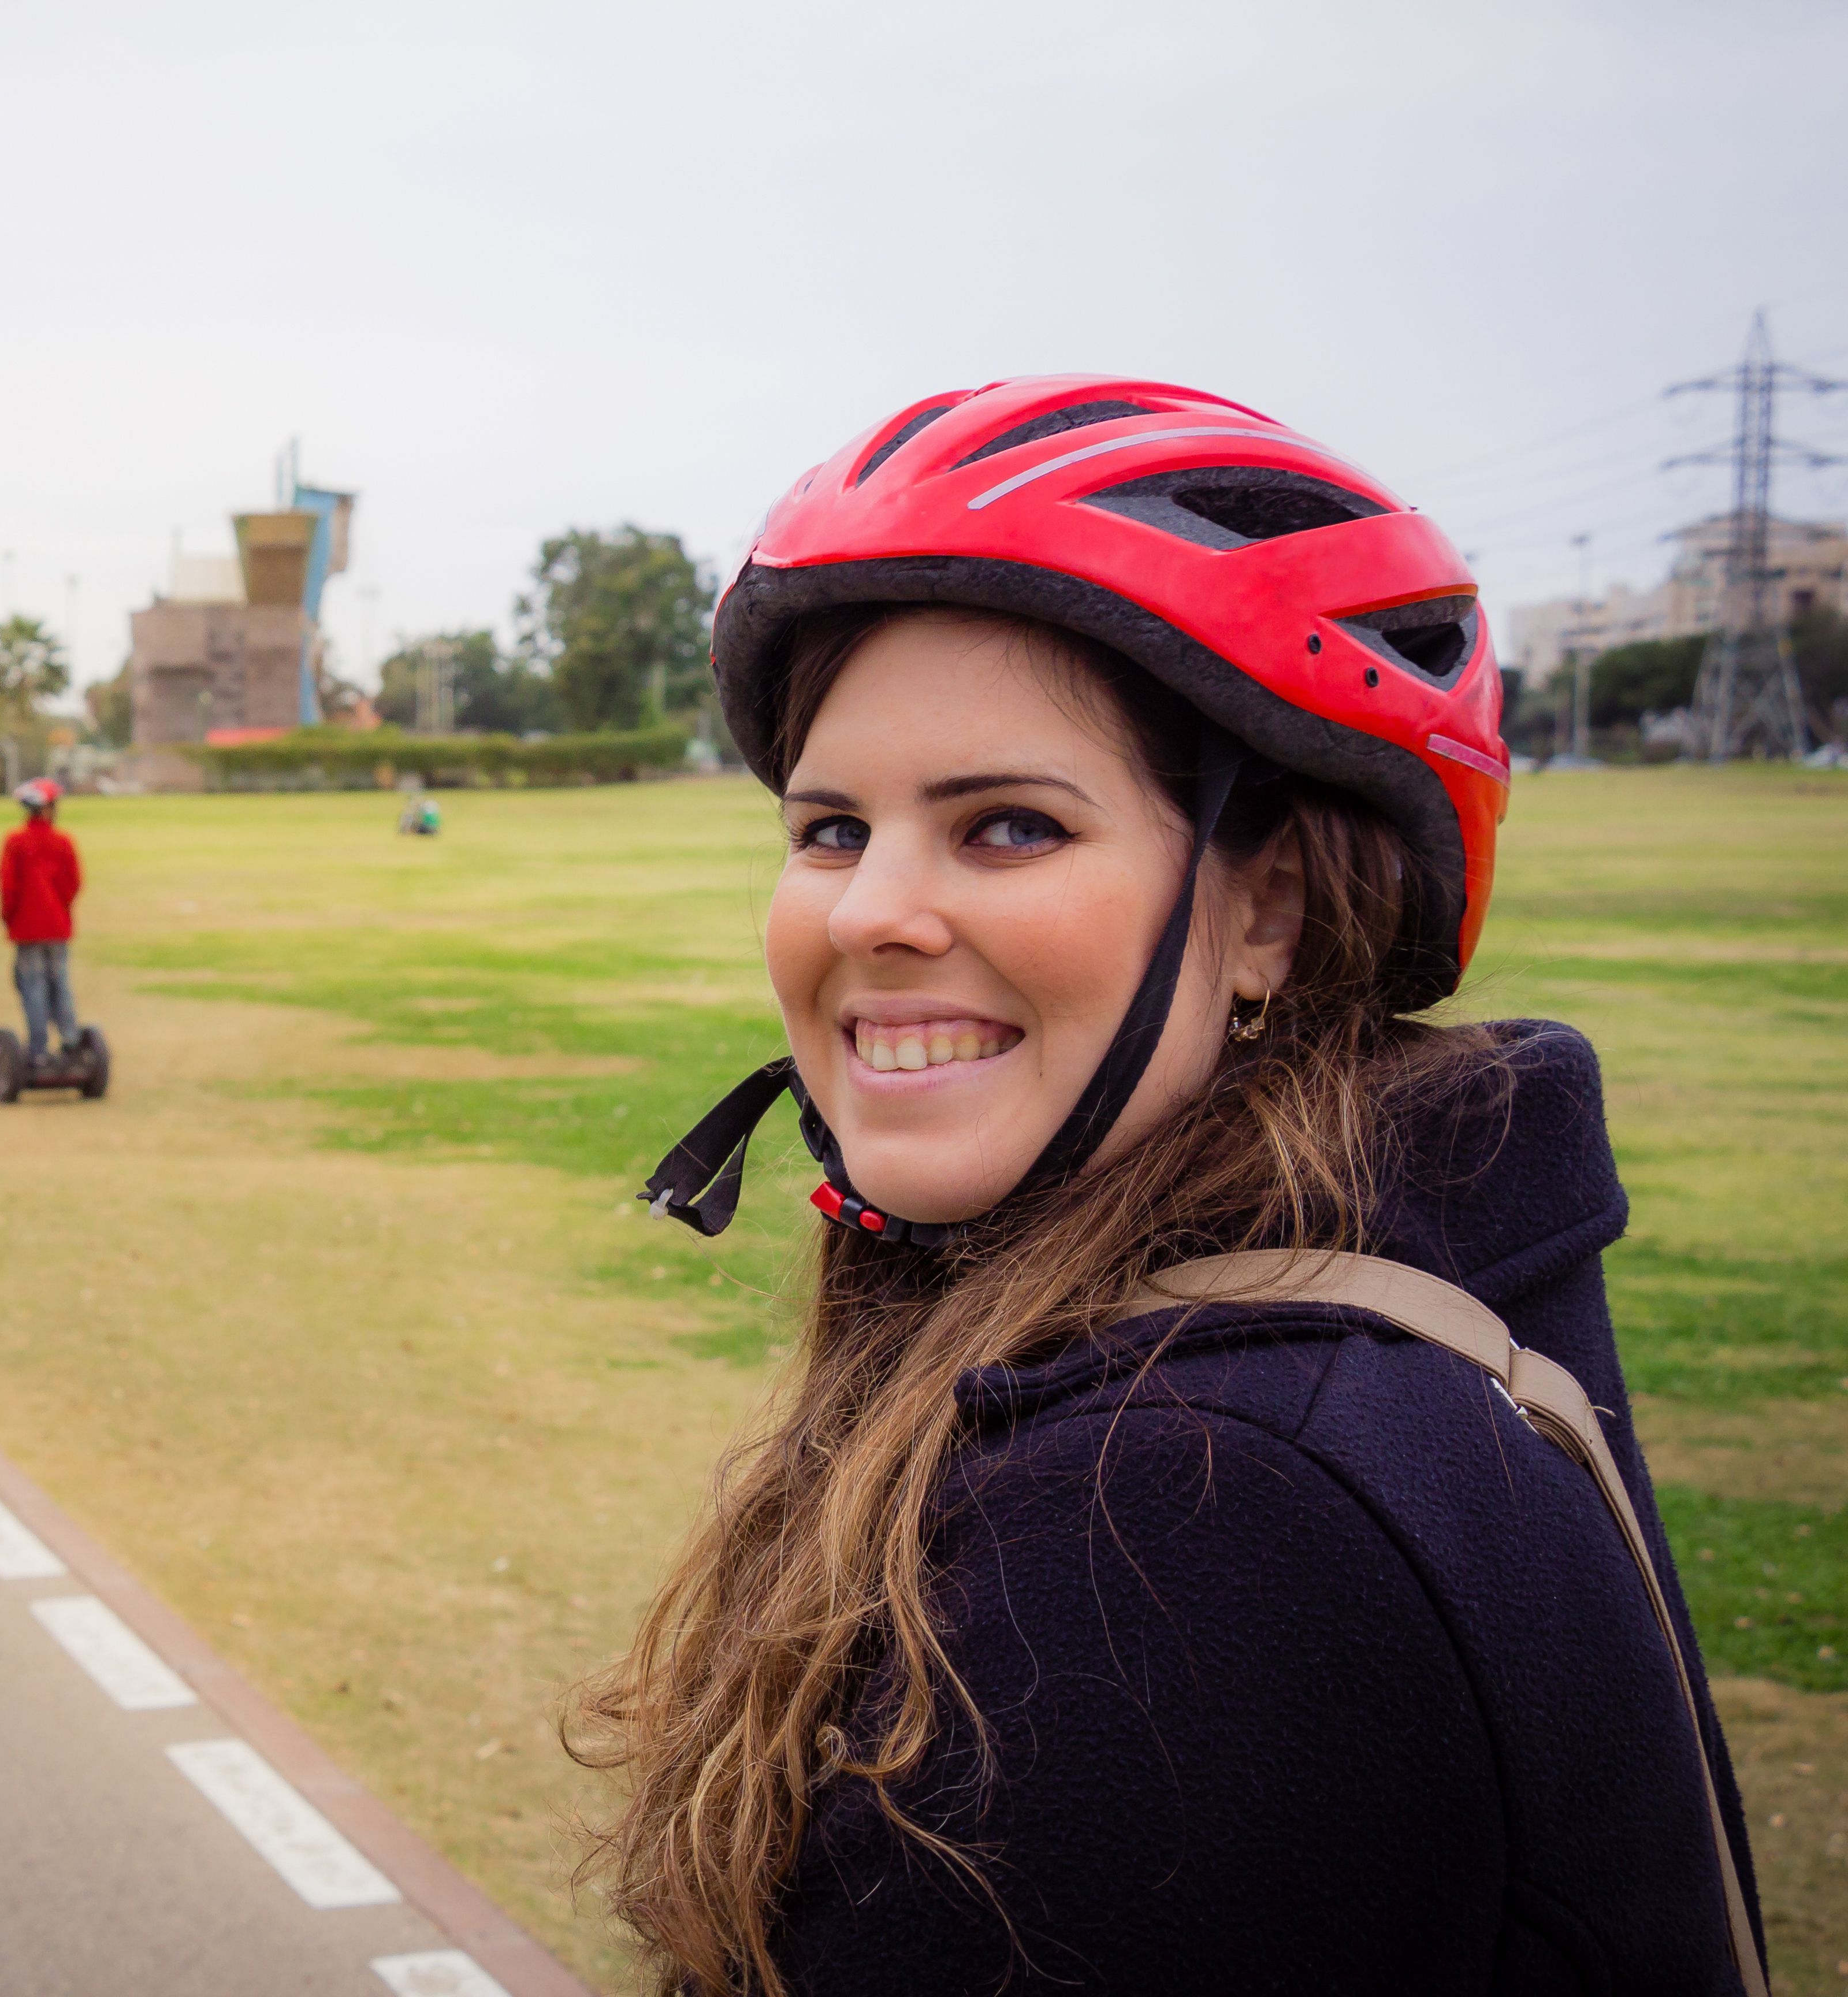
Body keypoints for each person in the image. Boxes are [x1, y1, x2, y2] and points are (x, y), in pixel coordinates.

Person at [574, 378, 1764, 1996]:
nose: (868, 913)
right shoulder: (1368, 1336)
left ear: (1269, 912)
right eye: (833, 829)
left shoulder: (1187, 1516)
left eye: (1007, 825)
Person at [0, 777, 81, 1062]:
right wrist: (60, 908)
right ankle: (70, 1038)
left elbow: (8, 888)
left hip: (27, 929)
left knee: (33, 986)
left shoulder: (15, 842)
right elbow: (73, 883)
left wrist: (9, 919)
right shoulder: (63, 842)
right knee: (60, 983)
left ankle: (39, 1049)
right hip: (57, 927)